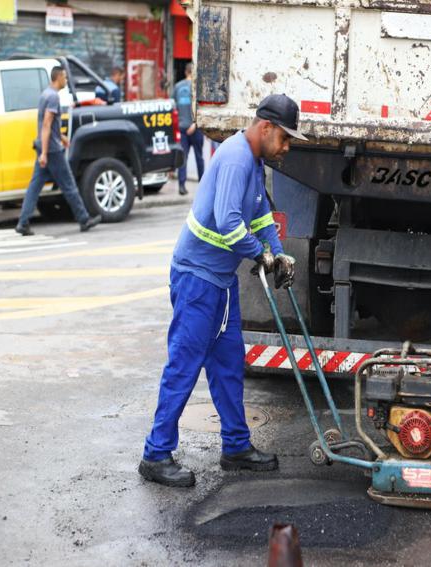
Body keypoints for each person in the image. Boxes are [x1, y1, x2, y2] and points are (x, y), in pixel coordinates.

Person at [138, 94, 305, 487]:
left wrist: (279, 254)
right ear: (266, 128)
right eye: (284, 138)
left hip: (221, 282)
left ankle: (236, 447)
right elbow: (230, 224)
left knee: (228, 365)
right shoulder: (234, 158)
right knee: (183, 366)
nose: (286, 148)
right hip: (197, 279)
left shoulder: (254, 161)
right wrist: (261, 256)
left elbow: (260, 214)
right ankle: (156, 454)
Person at [16, 66, 101, 236]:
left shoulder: (45, 94)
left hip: (45, 145)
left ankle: (23, 223)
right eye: (65, 77)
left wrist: (61, 137)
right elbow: (46, 124)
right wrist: (45, 153)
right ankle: (84, 219)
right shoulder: (53, 97)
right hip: (52, 150)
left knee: (35, 187)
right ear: (58, 77)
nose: (66, 81)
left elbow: (48, 125)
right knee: (69, 185)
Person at [174, 63, 204, 196]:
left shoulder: (177, 87)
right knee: (199, 157)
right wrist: (195, 124)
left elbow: (173, 108)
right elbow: (202, 108)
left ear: (185, 72)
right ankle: (203, 186)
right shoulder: (198, 87)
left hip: (182, 128)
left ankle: (181, 185)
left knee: (183, 158)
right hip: (195, 128)